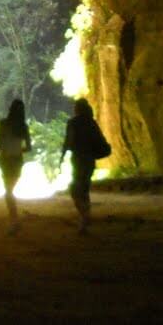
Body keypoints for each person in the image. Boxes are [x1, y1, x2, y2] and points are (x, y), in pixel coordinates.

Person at [59, 97, 111, 233]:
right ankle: (84, 220)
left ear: (77, 109)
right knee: (84, 188)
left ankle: (84, 216)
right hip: (90, 160)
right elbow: (99, 139)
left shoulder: (73, 122)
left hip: (78, 160)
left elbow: (68, 140)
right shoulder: (91, 122)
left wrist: (62, 156)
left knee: (75, 189)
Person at [0, 98, 32, 233]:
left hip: (5, 159)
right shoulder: (23, 127)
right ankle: (14, 221)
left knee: (8, 191)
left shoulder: (4, 124)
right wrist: (17, 149)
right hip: (16, 160)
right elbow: (29, 148)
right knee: (10, 190)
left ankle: (14, 221)